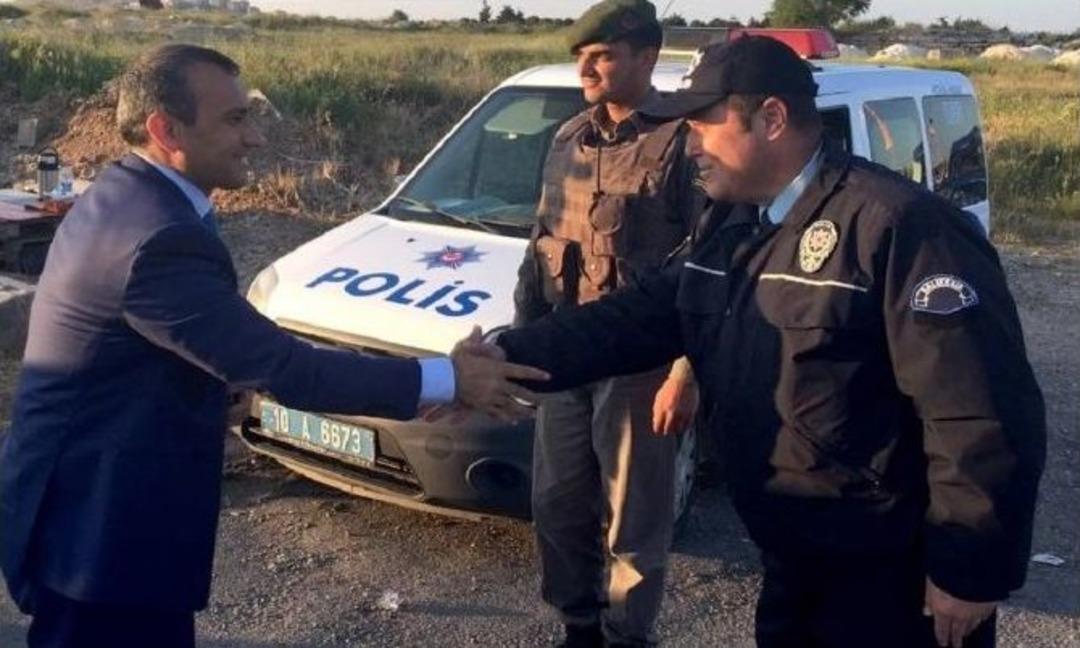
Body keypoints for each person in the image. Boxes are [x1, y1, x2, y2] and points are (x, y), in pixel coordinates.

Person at [480, 36, 1046, 648]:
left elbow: (978, 412)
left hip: (893, 582)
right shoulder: (734, 225)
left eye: (703, 125)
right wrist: (504, 358)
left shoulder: (900, 227)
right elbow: (636, 319)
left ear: (772, 119)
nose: (690, 145)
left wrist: (969, 569)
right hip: (794, 563)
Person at [0, 44, 545, 648]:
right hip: (101, 535)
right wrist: (449, 379)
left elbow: (154, 341)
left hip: (91, 514)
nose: (255, 139)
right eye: (235, 119)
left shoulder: (129, 195)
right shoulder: (157, 236)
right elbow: (290, 368)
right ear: (165, 128)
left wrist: (220, 384)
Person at [511, 1, 702, 646]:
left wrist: (687, 370)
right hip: (565, 351)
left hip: (637, 366)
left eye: (603, 55)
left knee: (634, 520)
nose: (587, 68)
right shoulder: (570, 138)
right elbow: (539, 239)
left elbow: (710, 267)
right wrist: (523, 341)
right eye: (581, 58)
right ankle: (579, 624)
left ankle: (627, 635)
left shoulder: (683, 139)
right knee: (558, 505)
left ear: (648, 57)